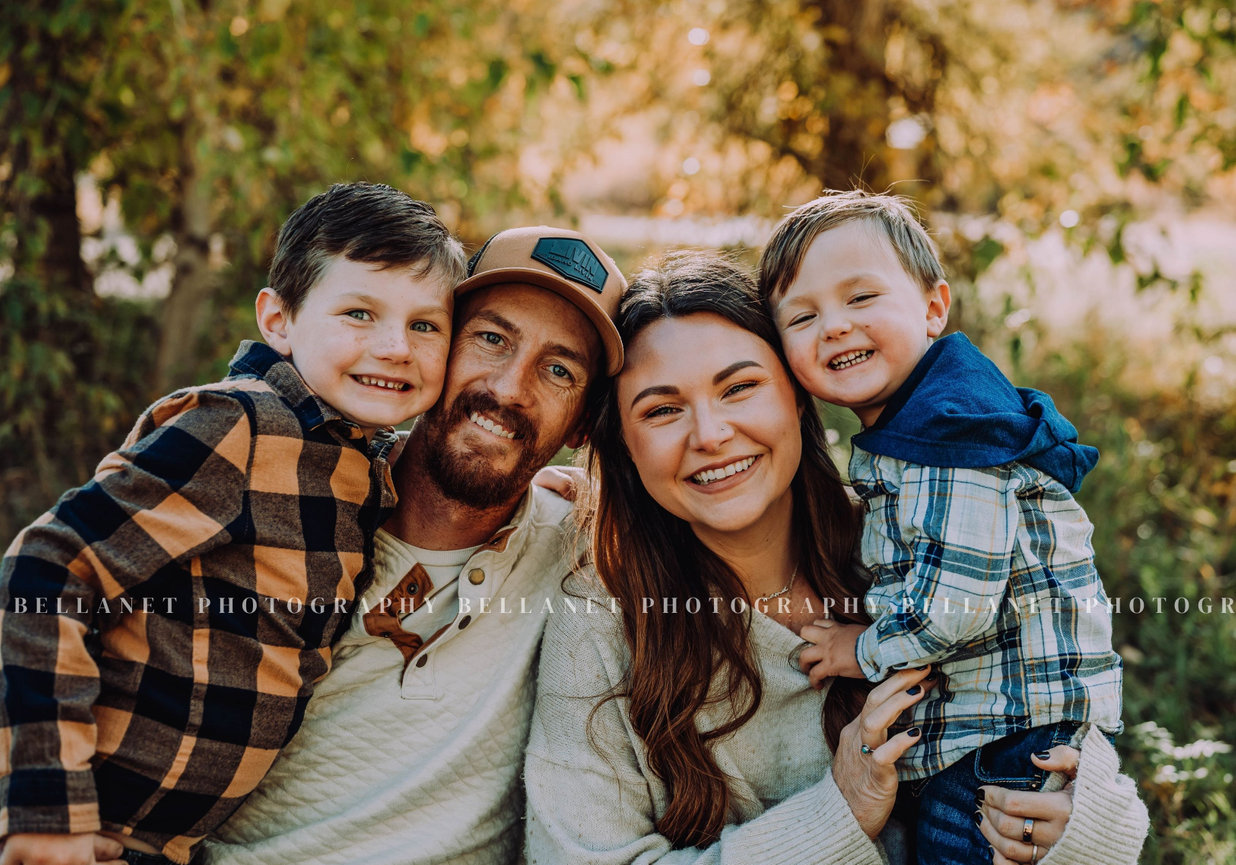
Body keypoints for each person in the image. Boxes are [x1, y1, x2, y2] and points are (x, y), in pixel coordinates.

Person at [523, 251, 1148, 865]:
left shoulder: (914, 545)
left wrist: (1072, 826)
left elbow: (1065, 729)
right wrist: (840, 813)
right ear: (625, 443)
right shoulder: (599, 622)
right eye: (662, 411)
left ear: (798, 396)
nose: (709, 435)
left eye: (740, 388)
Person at [0, 182, 465, 865]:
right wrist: (48, 806)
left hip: (155, 843)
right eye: (360, 313)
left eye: (426, 324)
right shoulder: (240, 426)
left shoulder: (358, 455)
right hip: (72, 816)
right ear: (278, 321)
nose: (396, 346)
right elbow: (46, 567)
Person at [203, 226, 627, 865]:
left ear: (586, 421)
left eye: (558, 369)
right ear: (435, 343)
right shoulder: (286, 504)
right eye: (490, 339)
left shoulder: (586, 555)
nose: (511, 388)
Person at [758, 190, 1127, 865]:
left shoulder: (950, 433)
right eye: (803, 315)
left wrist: (860, 648)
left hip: (1009, 742)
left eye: (860, 298)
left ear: (933, 307)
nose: (834, 326)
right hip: (994, 730)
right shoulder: (912, 430)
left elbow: (956, 604)